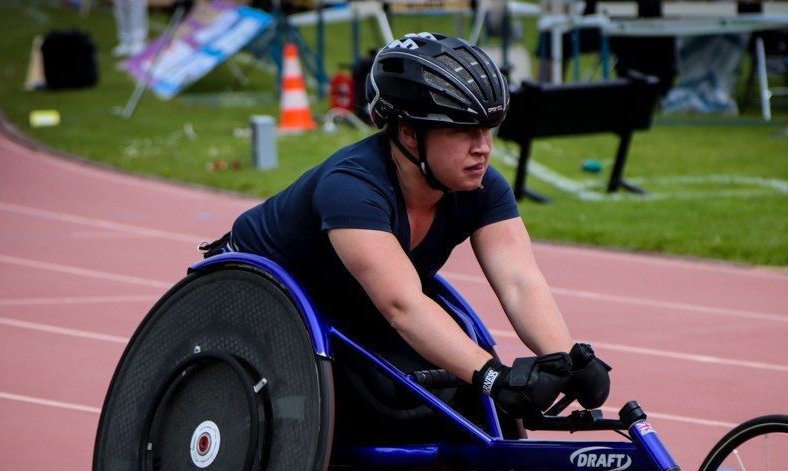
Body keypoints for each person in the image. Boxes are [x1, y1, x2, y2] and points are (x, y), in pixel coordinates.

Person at [226, 32, 610, 426]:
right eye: (463, 131)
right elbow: (402, 305)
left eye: (488, 129)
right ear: (409, 132)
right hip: (256, 304)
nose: (483, 147)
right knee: (395, 392)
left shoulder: (481, 185)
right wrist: (495, 378)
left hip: (354, 304)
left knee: (451, 390)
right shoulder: (351, 188)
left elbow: (520, 281)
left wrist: (566, 359)